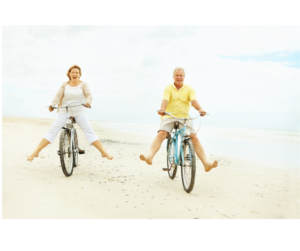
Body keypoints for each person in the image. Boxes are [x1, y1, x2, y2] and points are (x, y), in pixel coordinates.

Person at [27, 65, 113, 161]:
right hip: (65, 110)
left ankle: (103, 152)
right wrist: (53, 105)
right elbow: (57, 96)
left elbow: (88, 95)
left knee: (89, 130)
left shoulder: (84, 84)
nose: (74, 74)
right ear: (69, 74)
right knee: (53, 130)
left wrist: (88, 102)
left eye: (77, 72)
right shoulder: (64, 84)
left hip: (79, 111)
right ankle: (36, 151)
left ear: (80, 75)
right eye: (73, 72)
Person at [140, 67, 218, 172]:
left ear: (184, 77)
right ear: (173, 77)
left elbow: (193, 101)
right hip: (169, 116)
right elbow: (165, 100)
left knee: (194, 137)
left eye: (181, 75)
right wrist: (162, 109)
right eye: (177, 75)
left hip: (184, 118)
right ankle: (149, 157)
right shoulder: (168, 88)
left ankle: (206, 164)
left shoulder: (189, 88)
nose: (179, 77)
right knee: (161, 133)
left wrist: (200, 109)